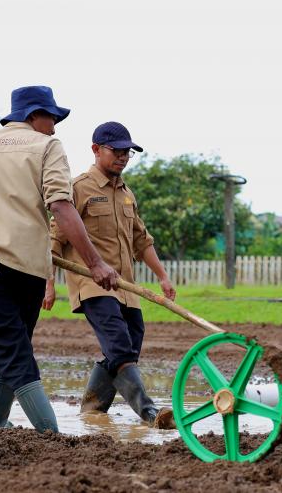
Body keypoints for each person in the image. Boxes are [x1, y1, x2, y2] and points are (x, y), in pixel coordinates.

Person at [0, 86, 118, 433]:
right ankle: (50, 433)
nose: (54, 126)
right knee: (16, 351)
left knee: (12, 349)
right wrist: (95, 262)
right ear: (34, 116)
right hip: (27, 266)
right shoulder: (46, 145)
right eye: (52, 118)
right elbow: (61, 205)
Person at [49, 122, 175, 428]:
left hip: (126, 287)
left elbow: (141, 240)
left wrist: (162, 276)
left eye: (127, 152)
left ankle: (92, 410)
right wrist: (48, 283)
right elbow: (54, 239)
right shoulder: (78, 189)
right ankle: (149, 412)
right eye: (116, 150)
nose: (122, 156)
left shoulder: (127, 193)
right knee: (119, 346)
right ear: (96, 150)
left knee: (126, 348)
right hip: (92, 285)